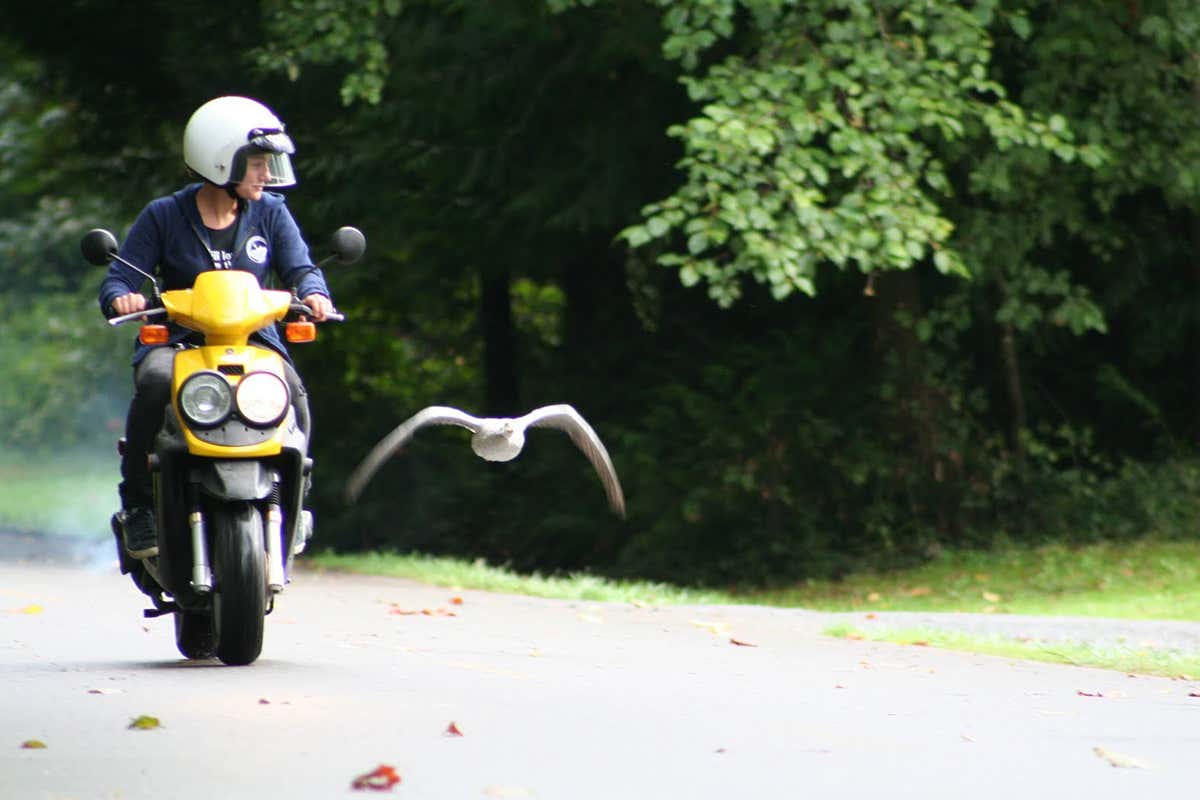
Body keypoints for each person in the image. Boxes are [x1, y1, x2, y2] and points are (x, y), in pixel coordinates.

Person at [98, 95, 334, 559]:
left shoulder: (272, 212)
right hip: (179, 343)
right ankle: (139, 506)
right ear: (221, 161)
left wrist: (316, 294)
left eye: (269, 164)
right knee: (155, 383)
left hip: (254, 340)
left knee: (294, 395)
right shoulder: (164, 215)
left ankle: (296, 500)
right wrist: (121, 297)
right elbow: (120, 277)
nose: (266, 174)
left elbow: (301, 269)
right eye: (257, 164)